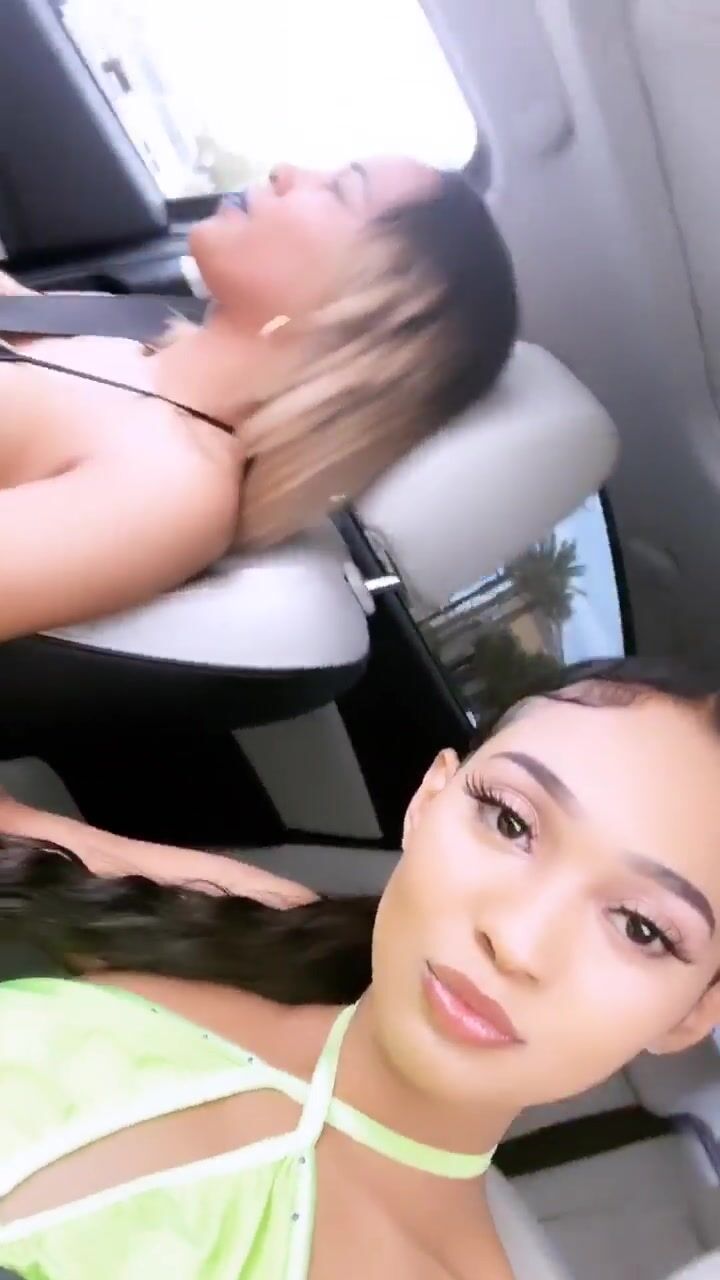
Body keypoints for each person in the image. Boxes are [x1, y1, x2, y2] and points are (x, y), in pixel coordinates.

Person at [0, 656, 719, 1279]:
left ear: (693, 1015)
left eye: (641, 928)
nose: (516, 941)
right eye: (510, 821)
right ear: (428, 800)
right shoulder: (253, 917)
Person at [0, 158, 517, 642]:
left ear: (369, 308)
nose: (285, 172)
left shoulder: (174, 488)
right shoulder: (128, 333)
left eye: (339, 190)